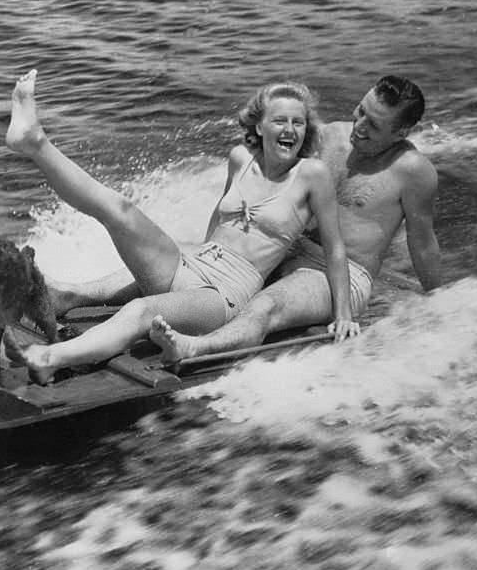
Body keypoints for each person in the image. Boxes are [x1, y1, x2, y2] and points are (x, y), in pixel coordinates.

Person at [2, 69, 357, 384]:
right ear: (260, 125)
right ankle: (34, 143)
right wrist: (191, 259)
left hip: (225, 294)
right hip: (195, 264)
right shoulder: (240, 159)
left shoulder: (311, 175)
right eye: (281, 120)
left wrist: (343, 315)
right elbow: (219, 221)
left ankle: (51, 359)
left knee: (140, 311)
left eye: (299, 123)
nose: (290, 130)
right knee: (121, 210)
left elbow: (335, 248)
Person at [55, 75, 442, 363]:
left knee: (266, 306)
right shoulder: (328, 137)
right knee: (182, 260)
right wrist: (211, 248)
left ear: (403, 131)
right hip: (283, 251)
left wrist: (435, 303)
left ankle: (195, 347)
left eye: (373, 125)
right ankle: (72, 294)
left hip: (340, 273)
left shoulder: (414, 173)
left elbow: (421, 242)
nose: (358, 127)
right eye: (360, 112)